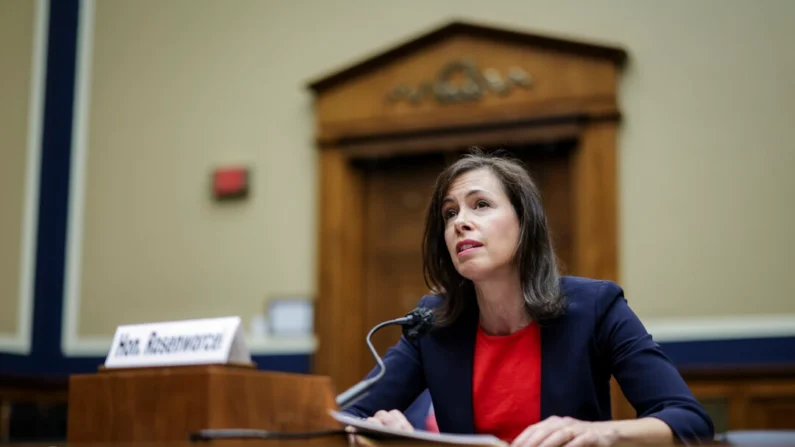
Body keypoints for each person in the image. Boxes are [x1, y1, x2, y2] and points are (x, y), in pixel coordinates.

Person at [343, 148, 714, 447]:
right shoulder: (434, 323)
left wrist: (604, 433)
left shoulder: (595, 307)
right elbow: (348, 416)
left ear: (524, 224)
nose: (460, 222)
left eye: (481, 205)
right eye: (450, 213)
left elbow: (690, 421)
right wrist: (380, 432)